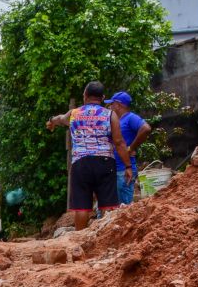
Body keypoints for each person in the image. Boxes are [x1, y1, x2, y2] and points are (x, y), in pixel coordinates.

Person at [46, 81, 133, 231]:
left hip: (81, 164)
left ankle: (79, 241)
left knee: (81, 207)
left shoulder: (74, 113)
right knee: (107, 205)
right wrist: (128, 166)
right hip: (105, 163)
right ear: (103, 97)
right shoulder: (110, 115)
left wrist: (51, 121)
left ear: (85, 96)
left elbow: (60, 119)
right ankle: (105, 239)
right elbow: (119, 142)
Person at [107, 91, 151, 206]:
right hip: (115, 169)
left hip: (124, 170)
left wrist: (131, 147)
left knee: (124, 208)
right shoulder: (116, 121)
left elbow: (146, 128)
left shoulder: (130, 118)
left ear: (118, 105)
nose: (110, 107)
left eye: (111, 104)